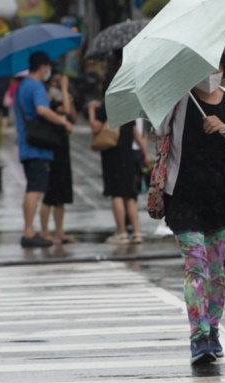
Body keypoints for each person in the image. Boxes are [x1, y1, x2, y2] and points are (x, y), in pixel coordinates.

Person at [156, 54, 225, 365]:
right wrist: (168, 97)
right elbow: (160, 132)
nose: (211, 74)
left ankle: (213, 330)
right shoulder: (179, 98)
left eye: (216, 68)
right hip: (185, 197)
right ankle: (198, 336)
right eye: (205, 69)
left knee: (215, 272)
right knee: (195, 267)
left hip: (220, 196)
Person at [14, 51, 74, 248]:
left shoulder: (22, 86)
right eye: (47, 67)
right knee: (36, 189)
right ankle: (29, 232)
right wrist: (63, 123)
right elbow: (41, 110)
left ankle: (29, 229)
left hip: (27, 144)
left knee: (33, 187)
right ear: (43, 67)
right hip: (37, 148)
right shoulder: (36, 86)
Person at [88, 52, 144, 245]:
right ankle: (137, 233)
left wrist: (91, 111)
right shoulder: (128, 103)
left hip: (112, 153)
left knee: (117, 194)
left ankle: (121, 232)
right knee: (130, 194)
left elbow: (96, 127)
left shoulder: (107, 105)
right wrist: (144, 152)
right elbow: (135, 130)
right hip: (129, 153)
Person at [40, 66, 77, 245]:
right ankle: (46, 231)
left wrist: (68, 95)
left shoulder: (61, 93)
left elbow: (73, 116)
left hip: (63, 145)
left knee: (61, 191)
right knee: (50, 192)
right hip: (52, 144)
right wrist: (63, 90)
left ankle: (60, 231)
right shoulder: (48, 94)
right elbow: (65, 111)